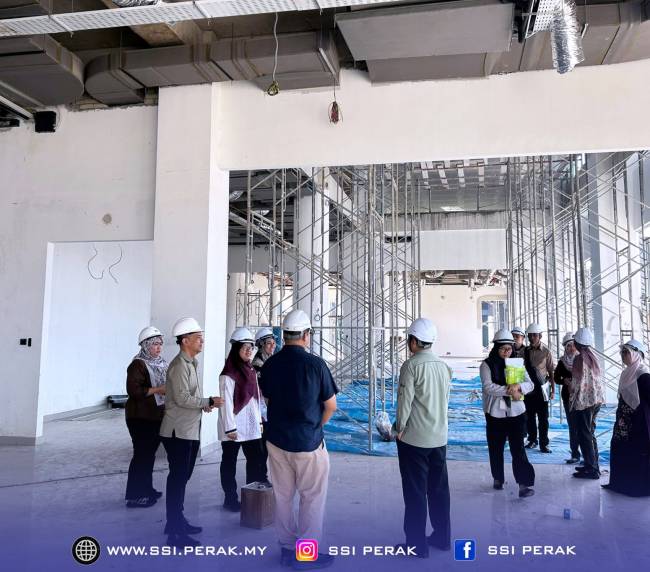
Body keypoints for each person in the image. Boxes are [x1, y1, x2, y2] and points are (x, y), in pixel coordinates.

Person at [259, 309, 338, 570]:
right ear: (306, 335)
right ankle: (305, 555)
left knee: (282, 497)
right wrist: (316, 426)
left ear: (284, 335)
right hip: (308, 443)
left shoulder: (270, 364)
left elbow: (268, 400)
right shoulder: (316, 365)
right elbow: (331, 405)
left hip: (277, 442)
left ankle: (286, 548)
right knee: (311, 499)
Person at [160, 317, 224, 547]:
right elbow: (182, 398)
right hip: (177, 432)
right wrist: (208, 401)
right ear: (185, 341)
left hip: (188, 430)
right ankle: (174, 531)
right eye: (198, 338)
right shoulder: (179, 366)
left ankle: (176, 522)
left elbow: (188, 398)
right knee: (178, 479)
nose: (202, 341)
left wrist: (203, 404)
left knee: (182, 478)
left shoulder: (191, 363)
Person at [393, 318, 452, 558]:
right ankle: (442, 538)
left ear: (415, 341)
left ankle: (417, 545)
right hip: (439, 438)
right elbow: (445, 401)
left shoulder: (411, 366)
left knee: (415, 493)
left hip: (415, 440)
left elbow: (404, 403)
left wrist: (399, 428)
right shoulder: (443, 366)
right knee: (439, 491)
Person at [481, 328, 536, 498]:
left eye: (509, 349)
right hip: (495, 414)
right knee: (495, 448)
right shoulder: (487, 365)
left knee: (518, 449)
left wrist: (519, 386)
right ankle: (498, 478)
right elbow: (488, 387)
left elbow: (530, 384)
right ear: (496, 349)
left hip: (516, 413)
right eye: (503, 349)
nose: (506, 352)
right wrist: (509, 390)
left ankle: (524, 484)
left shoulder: (517, 364)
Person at [218, 327, 267, 511]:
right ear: (236, 349)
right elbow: (226, 402)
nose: (249, 350)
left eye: (251, 347)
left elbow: (257, 399)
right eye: (245, 347)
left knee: (255, 460)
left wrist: (260, 421)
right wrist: (230, 428)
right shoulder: (228, 374)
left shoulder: (251, 370)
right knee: (229, 462)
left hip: (251, 426)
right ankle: (230, 499)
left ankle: (251, 497)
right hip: (234, 427)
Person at [124, 326, 167, 508]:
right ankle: (135, 496)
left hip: (154, 416)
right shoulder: (138, 364)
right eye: (154, 344)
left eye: (160, 343)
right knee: (141, 455)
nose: (158, 347)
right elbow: (134, 391)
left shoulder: (161, 363)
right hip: (140, 417)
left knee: (149, 455)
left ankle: (146, 489)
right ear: (145, 345)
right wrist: (158, 389)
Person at [603, 339, 650, 496]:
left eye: (626, 352)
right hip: (623, 420)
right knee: (619, 448)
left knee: (636, 452)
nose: (623, 355)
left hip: (638, 422)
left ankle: (636, 487)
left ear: (637, 354)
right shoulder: (626, 373)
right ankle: (620, 483)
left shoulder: (643, 374)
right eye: (622, 352)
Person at [570, 327, 604, 480]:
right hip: (595, 400)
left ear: (577, 343)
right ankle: (593, 464)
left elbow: (576, 384)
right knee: (590, 432)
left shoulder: (579, 359)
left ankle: (591, 468)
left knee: (584, 434)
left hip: (584, 403)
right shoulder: (593, 356)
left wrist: (572, 399)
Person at [523, 323, 555, 453]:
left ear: (540, 336)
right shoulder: (524, 351)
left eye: (535, 335)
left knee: (543, 418)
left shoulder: (546, 352)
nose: (532, 338)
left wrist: (553, 390)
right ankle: (532, 440)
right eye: (530, 335)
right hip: (529, 388)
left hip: (542, 389)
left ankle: (544, 443)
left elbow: (551, 371)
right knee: (530, 416)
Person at [252, 326, 276, 483]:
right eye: (268, 343)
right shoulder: (258, 364)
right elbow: (264, 389)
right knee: (261, 448)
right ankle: (260, 477)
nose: (272, 345)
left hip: (268, 410)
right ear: (261, 345)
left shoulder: (269, 360)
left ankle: (262, 475)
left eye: (273, 342)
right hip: (261, 411)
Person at [554, 333, 581, 464]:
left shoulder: (581, 360)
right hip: (567, 397)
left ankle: (588, 455)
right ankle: (575, 454)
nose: (571, 348)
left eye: (573, 345)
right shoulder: (561, 362)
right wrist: (564, 380)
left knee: (583, 426)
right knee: (572, 426)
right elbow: (556, 378)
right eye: (568, 346)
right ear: (565, 348)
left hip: (581, 397)